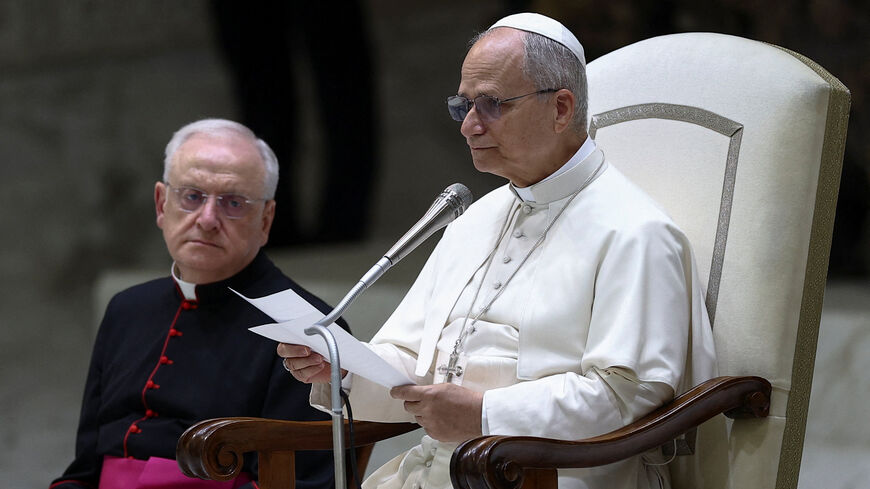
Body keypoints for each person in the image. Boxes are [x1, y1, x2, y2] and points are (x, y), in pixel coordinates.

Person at [279, 12, 717, 489]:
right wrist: (341, 370)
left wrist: (486, 414)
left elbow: (627, 394)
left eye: (490, 104)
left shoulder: (636, 232)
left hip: (561, 477)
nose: (469, 126)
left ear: (562, 108)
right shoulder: (476, 219)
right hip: (444, 470)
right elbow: (415, 361)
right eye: (463, 105)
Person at [51, 119, 348, 489]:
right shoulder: (127, 308)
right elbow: (85, 468)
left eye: (233, 203)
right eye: (191, 196)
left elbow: (304, 482)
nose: (207, 220)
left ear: (265, 220)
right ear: (162, 204)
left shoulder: (309, 328)